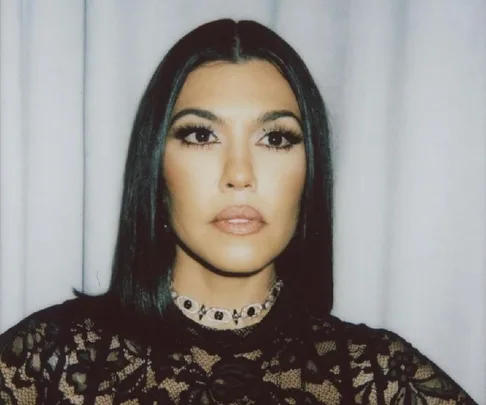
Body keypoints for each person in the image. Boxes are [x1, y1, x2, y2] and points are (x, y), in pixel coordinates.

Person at [0, 18, 477, 405]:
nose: (240, 173)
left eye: (276, 138)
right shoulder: (49, 364)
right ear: (156, 166)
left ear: (310, 170)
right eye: (201, 135)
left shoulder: (376, 375)